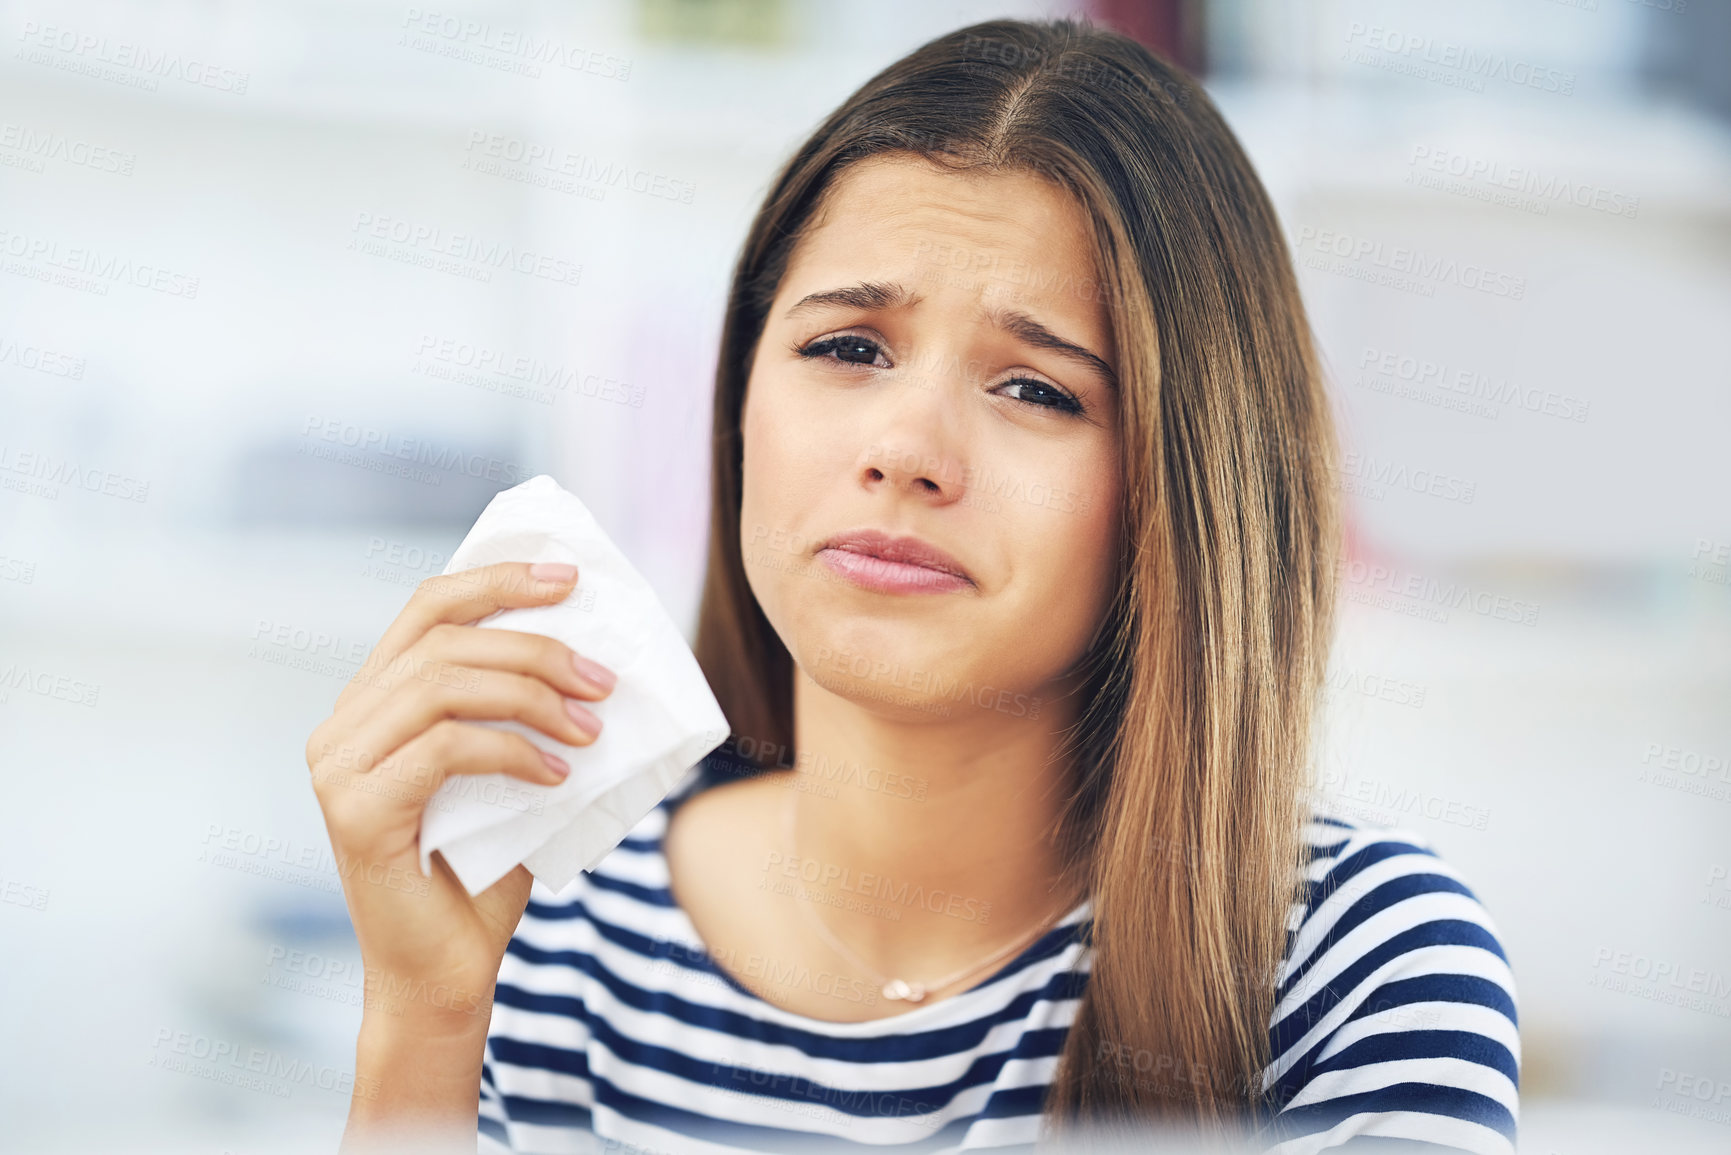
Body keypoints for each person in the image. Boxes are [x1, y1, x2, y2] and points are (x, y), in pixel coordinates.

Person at [306, 17, 1519, 1155]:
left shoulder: (1354, 968)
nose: (905, 449)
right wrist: (422, 1022)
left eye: (1038, 388)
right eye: (848, 349)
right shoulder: (553, 945)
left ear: (1187, 485)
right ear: (739, 404)